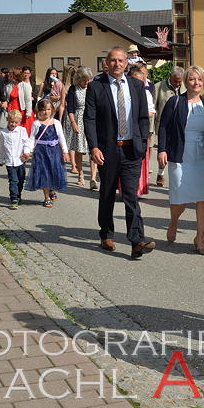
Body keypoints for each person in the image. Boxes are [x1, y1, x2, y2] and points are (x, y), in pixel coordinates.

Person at [84, 47, 156, 259]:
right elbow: (89, 119)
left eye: (121, 60)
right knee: (107, 194)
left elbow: (143, 118)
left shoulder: (136, 85)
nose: (117, 64)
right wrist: (94, 147)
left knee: (131, 196)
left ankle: (136, 241)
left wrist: (143, 143)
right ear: (106, 63)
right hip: (107, 150)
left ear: (126, 63)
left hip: (131, 149)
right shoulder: (96, 86)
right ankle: (106, 234)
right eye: (113, 60)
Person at [157, 65, 204, 255]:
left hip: (201, 158)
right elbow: (163, 126)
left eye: (199, 79)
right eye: (192, 79)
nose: (196, 83)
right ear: (185, 81)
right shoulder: (175, 101)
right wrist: (162, 149)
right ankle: (174, 221)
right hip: (179, 155)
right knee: (179, 199)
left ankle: (200, 238)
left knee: (203, 199)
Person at [26, 100, 69, 208]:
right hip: (41, 152)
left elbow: (61, 137)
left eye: (49, 109)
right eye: (44, 109)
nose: (46, 112)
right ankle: (46, 197)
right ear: (39, 111)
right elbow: (32, 138)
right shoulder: (36, 123)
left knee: (53, 171)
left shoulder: (56, 123)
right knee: (44, 173)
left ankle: (52, 189)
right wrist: (28, 151)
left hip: (54, 151)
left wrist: (65, 151)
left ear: (52, 110)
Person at [64, 66, 98, 189]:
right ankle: (81, 174)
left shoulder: (92, 87)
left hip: (91, 119)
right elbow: (70, 108)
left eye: (88, 79)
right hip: (78, 119)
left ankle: (93, 178)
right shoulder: (73, 89)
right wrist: (73, 123)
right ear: (78, 79)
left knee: (93, 148)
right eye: (84, 80)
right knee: (79, 149)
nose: (86, 82)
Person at [153, 66, 186, 187]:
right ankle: (160, 173)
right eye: (175, 81)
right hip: (163, 126)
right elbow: (153, 108)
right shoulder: (158, 87)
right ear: (170, 77)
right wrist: (151, 129)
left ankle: (179, 177)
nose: (178, 84)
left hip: (179, 127)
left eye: (180, 81)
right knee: (163, 151)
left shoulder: (185, 87)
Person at [126, 64, 156, 196]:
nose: (136, 84)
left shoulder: (146, 93)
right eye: (134, 80)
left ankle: (138, 190)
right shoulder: (124, 92)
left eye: (140, 81)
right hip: (125, 131)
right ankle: (126, 191)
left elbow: (152, 111)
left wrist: (139, 113)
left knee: (140, 161)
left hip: (140, 130)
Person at [0, 109, 32, 209]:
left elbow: (26, 143)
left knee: (20, 180)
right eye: (11, 122)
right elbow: (1, 147)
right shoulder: (2, 133)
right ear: (7, 120)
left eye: (16, 122)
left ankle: (18, 194)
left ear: (19, 122)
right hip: (9, 161)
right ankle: (14, 198)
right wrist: (1, 160)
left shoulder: (22, 130)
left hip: (20, 160)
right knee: (13, 181)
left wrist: (26, 152)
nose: (13, 124)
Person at [0, 67, 33, 137]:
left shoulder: (24, 85)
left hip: (21, 109)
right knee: (11, 128)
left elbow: (28, 100)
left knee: (21, 129)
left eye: (12, 75)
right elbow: (6, 97)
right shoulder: (8, 86)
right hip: (11, 108)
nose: (10, 76)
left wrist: (28, 112)